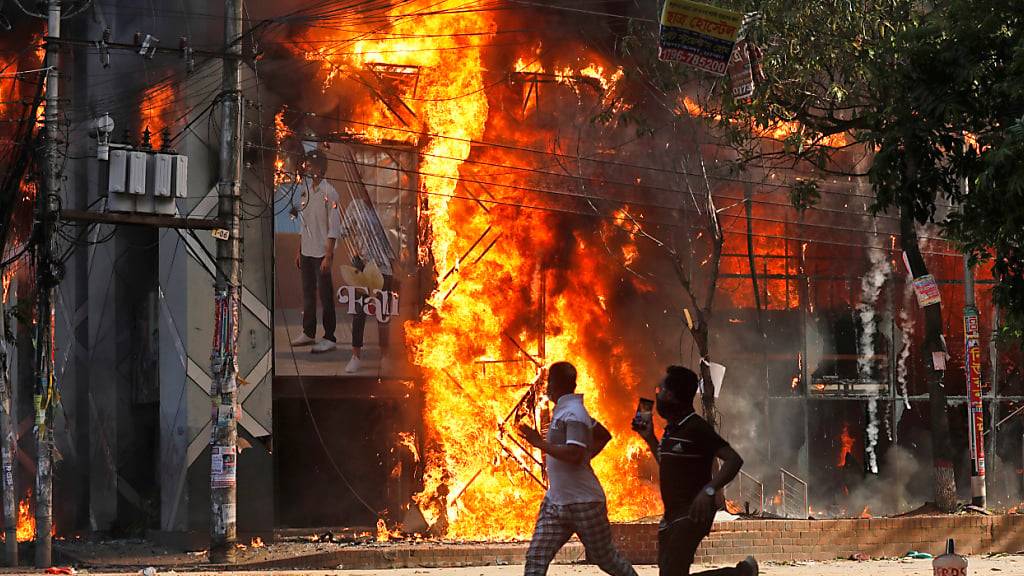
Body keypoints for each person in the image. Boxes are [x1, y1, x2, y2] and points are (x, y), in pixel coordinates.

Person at [633, 366, 759, 576]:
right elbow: (668, 463)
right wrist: (649, 438)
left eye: (660, 390)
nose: (657, 394)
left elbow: (733, 459)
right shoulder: (672, 429)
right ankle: (741, 573)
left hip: (692, 513)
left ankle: (741, 574)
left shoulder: (696, 428)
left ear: (672, 396)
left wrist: (709, 491)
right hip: (672, 514)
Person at [518, 362, 638, 576]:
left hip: (585, 503)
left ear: (554, 384)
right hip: (556, 502)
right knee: (536, 558)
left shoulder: (573, 413)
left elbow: (574, 454)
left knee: (606, 559)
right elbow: (602, 434)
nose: (546, 387)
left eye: (549, 382)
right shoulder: (567, 410)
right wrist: (586, 457)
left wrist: (540, 443)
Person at [288, 152, 342, 354]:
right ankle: (308, 332)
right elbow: (304, 224)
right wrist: (299, 249)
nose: (308, 169)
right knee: (308, 293)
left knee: (325, 295)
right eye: (307, 166)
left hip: (322, 253)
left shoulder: (330, 192)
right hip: (307, 251)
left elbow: (334, 226)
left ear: (320, 168)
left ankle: (330, 337)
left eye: (311, 166)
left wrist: (329, 255)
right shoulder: (306, 191)